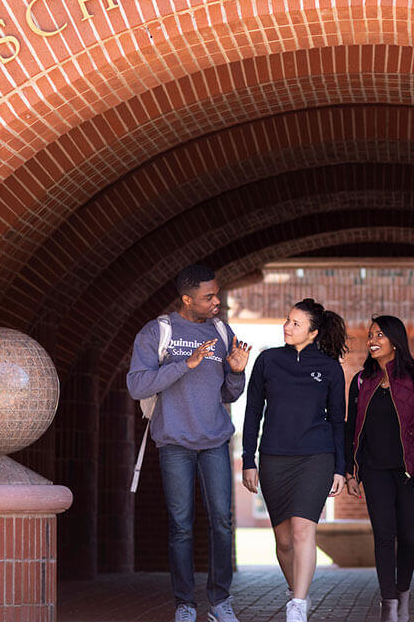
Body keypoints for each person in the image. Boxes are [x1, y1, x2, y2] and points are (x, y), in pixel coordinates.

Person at [126, 264, 252, 622]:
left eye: (216, 294)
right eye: (207, 297)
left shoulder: (222, 332)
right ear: (186, 299)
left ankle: (219, 602)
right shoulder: (158, 332)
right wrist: (186, 364)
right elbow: (138, 384)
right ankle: (184, 603)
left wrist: (238, 372)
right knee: (181, 526)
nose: (216, 302)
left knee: (222, 523)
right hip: (175, 443)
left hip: (214, 441)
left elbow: (228, 393)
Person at [241, 298, 348, 622]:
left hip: (316, 456)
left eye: (296, 323)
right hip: (274, 458)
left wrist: (340, 468)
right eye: (287, 320)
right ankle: (296, 590)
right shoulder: (267, 360)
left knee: (303, 531)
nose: (287, 326)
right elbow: (253, 412)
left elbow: (338, 421)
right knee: (284, 541)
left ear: (313, 332)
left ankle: (297, 606)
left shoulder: (330, 367)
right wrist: (249, 459)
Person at [344, 315, 414, 622]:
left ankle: (403, 594)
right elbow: (351, 429)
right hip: (374, 471)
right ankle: (389, 606)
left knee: (409, 537)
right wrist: (350, 471)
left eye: (379, 334)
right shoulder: (361, 380)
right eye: (370, 335)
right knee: (384, 536)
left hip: (410, 472)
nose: (372, 339)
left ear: (395, 340)